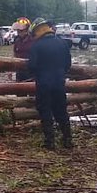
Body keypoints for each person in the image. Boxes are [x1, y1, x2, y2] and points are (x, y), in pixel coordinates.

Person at [25, 18, 72, 150]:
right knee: (61, 110)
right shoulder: (62, 43)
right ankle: (67, 140)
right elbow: (68, 65)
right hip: (59, 82)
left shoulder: (36, 46)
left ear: (37, 31)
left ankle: (49, 142)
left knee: (45, 110)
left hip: (44, 84)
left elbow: (32, 66)